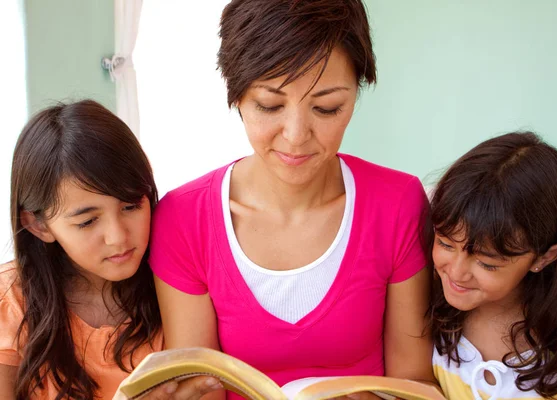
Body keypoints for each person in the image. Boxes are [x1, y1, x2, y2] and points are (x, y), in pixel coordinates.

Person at [149, 1, 435, 399]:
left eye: (327, 107)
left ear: (357, 92)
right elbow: (198, 387)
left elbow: (417, 384)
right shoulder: (184, 219)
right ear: (235, 96)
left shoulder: (397, 203)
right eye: (270, 105)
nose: (297, 135)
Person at [0, 100, 219, 400]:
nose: (118, 237)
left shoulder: (179, 282)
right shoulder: (9, 302)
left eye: (131, 206)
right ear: (39, 226)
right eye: (88, 221)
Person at [429, 132, 557, 399]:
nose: (457, 271)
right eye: (446, 244)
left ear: (544, 257)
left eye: (487, 263)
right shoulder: (425, 299)